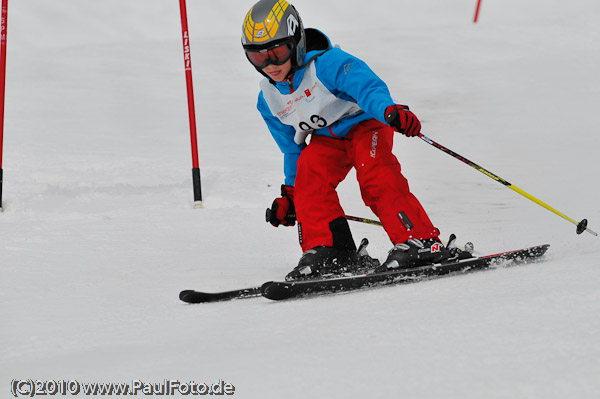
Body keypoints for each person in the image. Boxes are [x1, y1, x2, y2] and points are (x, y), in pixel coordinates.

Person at [242, 0, 470, 281]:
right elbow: (292, 149)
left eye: (277, 52)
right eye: (257, 57)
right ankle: (330, 249)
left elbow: (367, 86)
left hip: (366, 123)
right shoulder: (269, 100)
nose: (269, 64)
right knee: (309, 174)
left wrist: (389, 110)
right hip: (329, 138)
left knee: (374, 172)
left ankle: (420, 241)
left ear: (296, 42)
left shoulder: (326, 65)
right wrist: (291, 194)